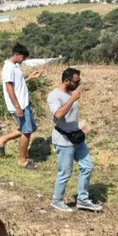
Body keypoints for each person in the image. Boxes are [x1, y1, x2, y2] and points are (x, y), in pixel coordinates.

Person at [47, 68, 102, 213]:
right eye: (76, 81)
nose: (79, 83)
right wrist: (72, 100)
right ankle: (57, 200)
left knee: (87, 166)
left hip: (76, 137)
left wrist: (81, 126)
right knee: (65, 172)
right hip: (63, 139)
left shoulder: (71, 93)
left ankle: (83, 200)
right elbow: (58, 115)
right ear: (66, 81)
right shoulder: (54, 95)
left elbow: (72, 116)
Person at [0, 44, 42, 170]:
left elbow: (18, 84)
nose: (24, 60)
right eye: (23, 57)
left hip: (24, 103)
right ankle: (22, 160)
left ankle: (1, 140)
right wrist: (18, 107)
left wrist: (30, 78)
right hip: (19, 105)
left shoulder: (15, 66)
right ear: (17, 55)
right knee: (26, 131)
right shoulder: (8, 68)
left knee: (29, 128)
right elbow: (9, 89)